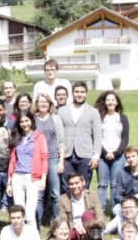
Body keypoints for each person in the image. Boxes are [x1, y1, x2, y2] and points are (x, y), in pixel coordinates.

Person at [7, 110, 48, 227]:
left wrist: (43, 179)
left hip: (33, 178)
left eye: (26, 121)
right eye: (21, 122)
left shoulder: (39, 137)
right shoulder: (16, 137)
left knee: (30, 213)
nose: (24, 124)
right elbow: (12, 161)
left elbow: (44, 158)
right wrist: (9, 183)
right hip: (17, 177)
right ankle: (19, 238)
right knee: (19, 211)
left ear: (31, 121)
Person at [58, 82, 101, 190]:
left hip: (85, 155)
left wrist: (96, 156)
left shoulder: (93, 112)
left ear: (86, 94)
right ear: (72, 93)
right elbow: (59, 134)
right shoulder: (62, 111)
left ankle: (83, 207)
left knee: (84, 186)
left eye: (82, 92)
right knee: (66, 186)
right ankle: (68, 207)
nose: (79, 94)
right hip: (67, 155)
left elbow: (97, 135)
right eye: (76, 92)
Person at [94, 90, 130, 211]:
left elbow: (125, 138)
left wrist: (115, 153)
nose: (110, 102)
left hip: (118, 156)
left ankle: (116, 210)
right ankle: (101, 211)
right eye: (108, 100)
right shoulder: (99, 117)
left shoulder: (122, 118)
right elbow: (96, 136)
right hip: (102, 155)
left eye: (113, 100)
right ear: (104, 102)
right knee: (102, 185)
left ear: (117, 102)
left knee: (116, 185)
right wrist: (105, 153)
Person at [33, 94, 66, 226]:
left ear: (50, 104)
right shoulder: (33, 119)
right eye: (40, 102)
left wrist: (61, 161)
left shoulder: (55, 119)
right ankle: (37, 223)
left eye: (45, 102)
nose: (43, 104)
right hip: (37, 160)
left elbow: (61, 141)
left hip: (53, 158)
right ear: (36, 103)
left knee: (55, 193)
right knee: (39, 194)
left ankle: (57, 222)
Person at [58, 172, 105, 240]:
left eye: (77, 183)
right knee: (67, 231)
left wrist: (89, 227)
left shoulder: (93, 196)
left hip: (90, 230)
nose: (74, 186)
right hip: (74, 230)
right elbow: (63, 220)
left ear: (83, 182)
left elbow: (100, 217)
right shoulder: (62, 199)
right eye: (71, 184)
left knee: (87, 214)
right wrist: (74, 225)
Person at [112, 146, 138, 218]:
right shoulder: (122, 173)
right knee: (116, 210)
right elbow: (117, 194)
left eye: (133, 156)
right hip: (127, 202)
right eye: (128, 157)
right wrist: (128, 201)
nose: (131, 159)